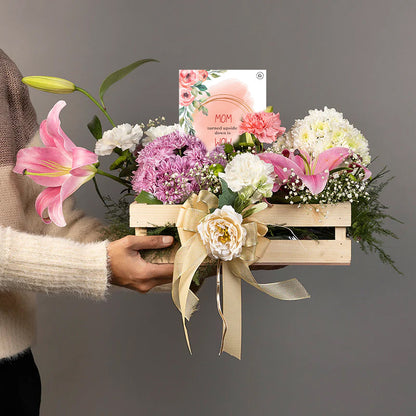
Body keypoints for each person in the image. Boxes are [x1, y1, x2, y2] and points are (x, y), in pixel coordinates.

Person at [0, 49, 174, 415]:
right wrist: (100, 265)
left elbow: (50, 221)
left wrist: (198, 253)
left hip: (10, 373)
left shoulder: (2, 70)